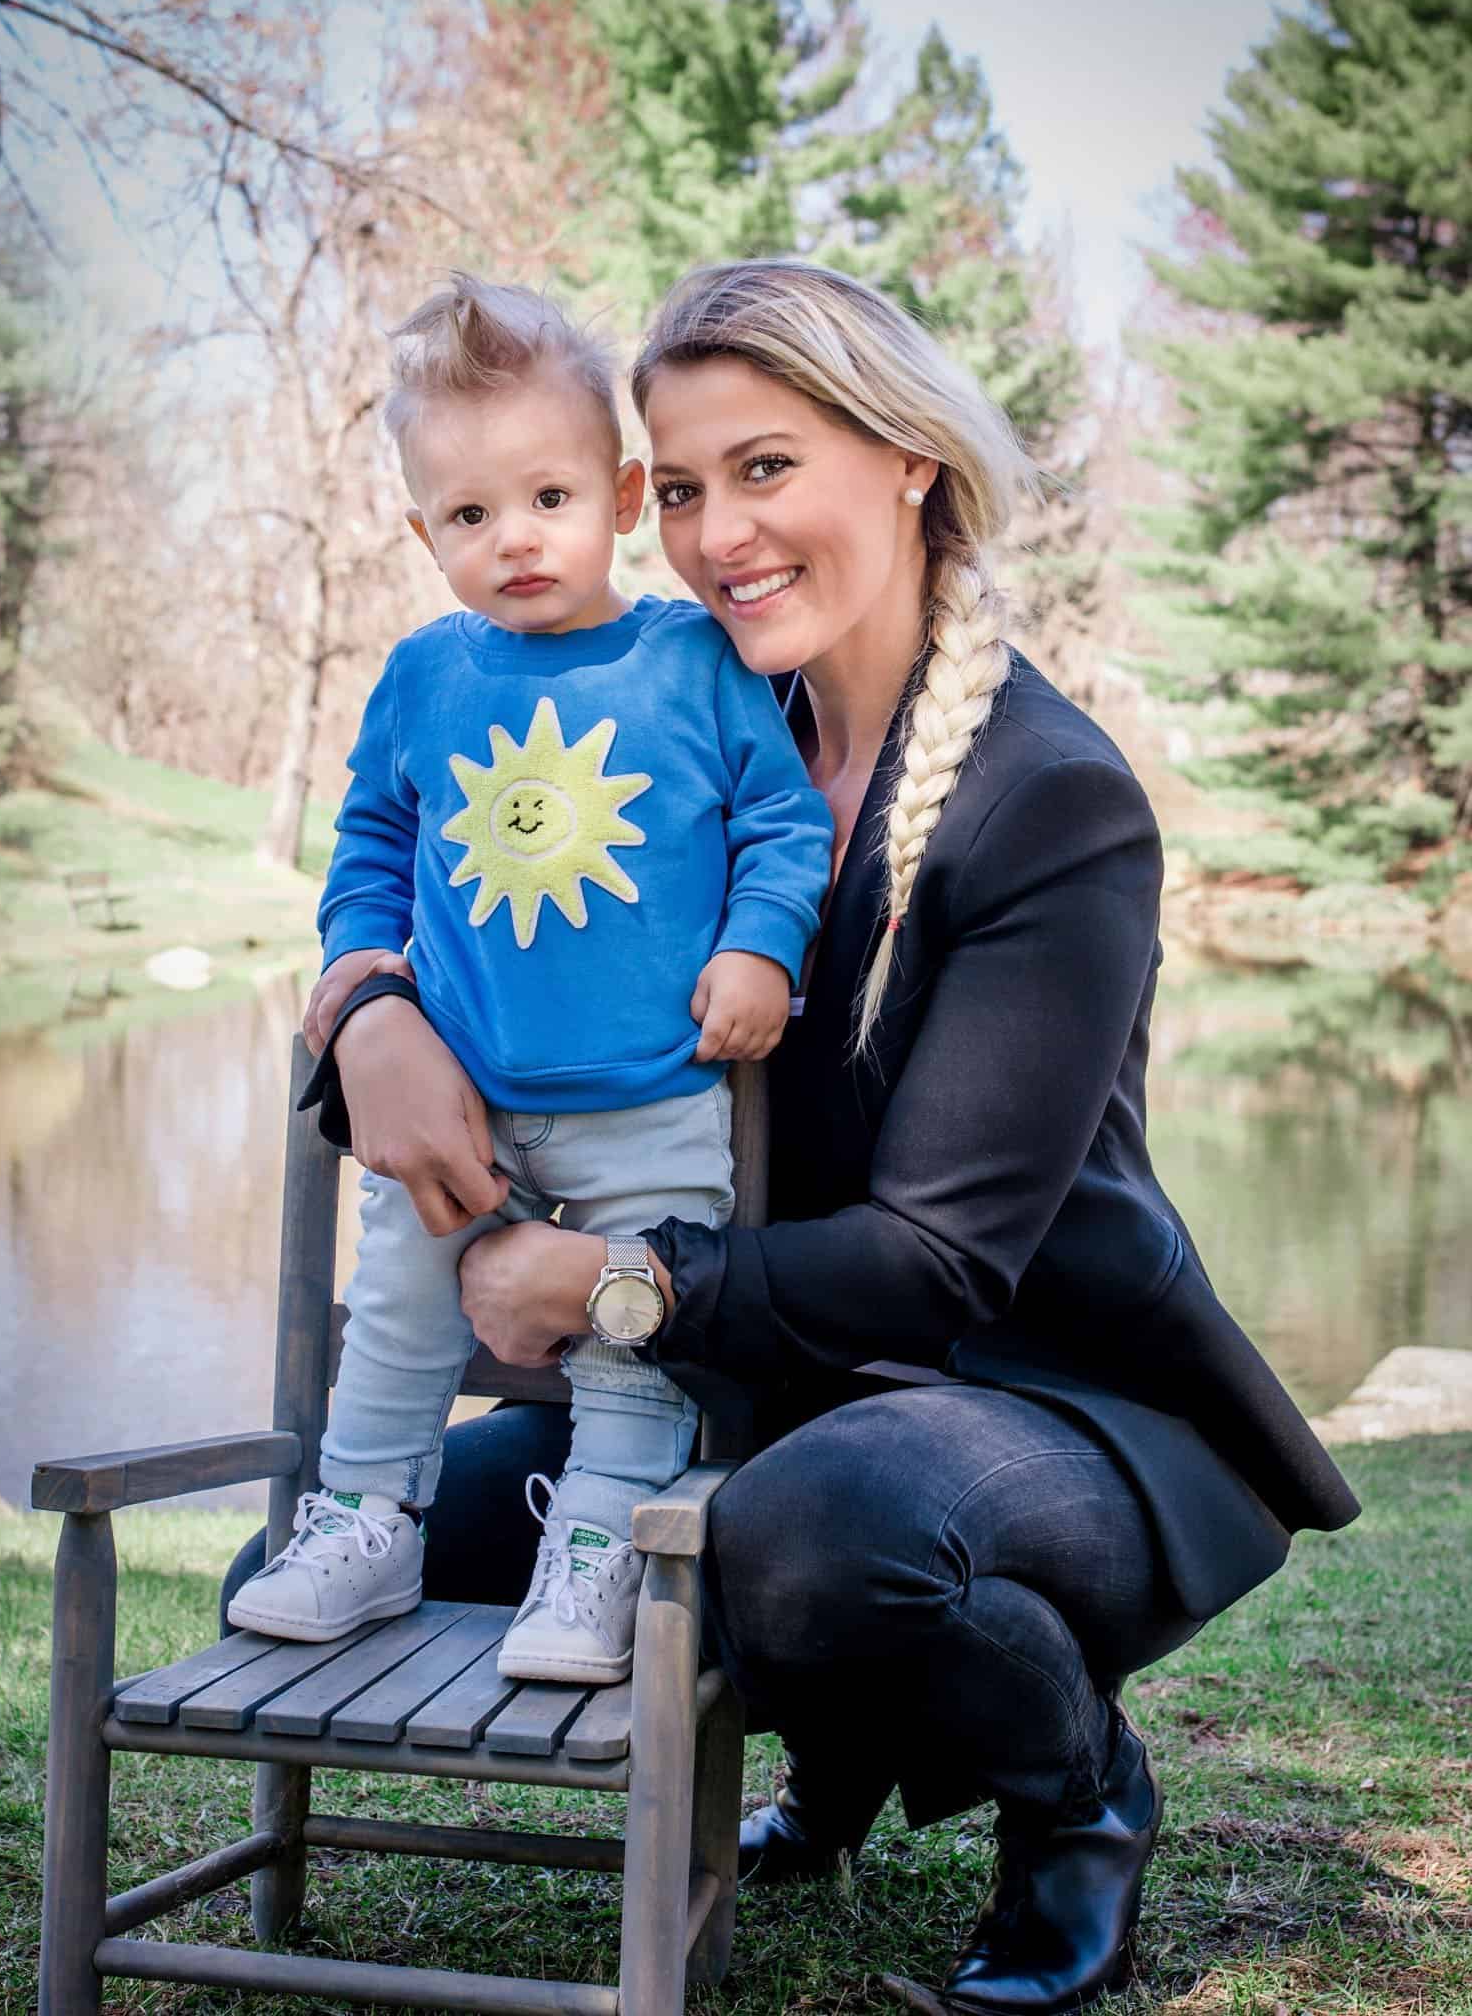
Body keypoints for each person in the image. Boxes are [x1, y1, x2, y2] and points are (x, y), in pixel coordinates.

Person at [225, 259, 1359, 2015]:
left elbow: (934, 1265)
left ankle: (1075, 1800)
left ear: (905, 458)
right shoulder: (697, 708)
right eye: (677, 488)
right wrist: (363, 1014)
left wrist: (602, 1285)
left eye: (766, 468)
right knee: (320, 1559)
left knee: (801, 1536)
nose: (715, 532)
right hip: (778, 1363)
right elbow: (494, 934)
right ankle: (830, 1762)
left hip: (1035, 1389)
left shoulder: (1045, 799)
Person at [226, 274, 832, 1685]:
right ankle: (370, 1519)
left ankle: (600, 1553)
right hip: (464, 1104)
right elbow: (371, 845)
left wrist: (760, 943)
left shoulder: (693, 660)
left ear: (623, 497)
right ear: (424, 529)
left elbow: (783, 824)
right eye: (470, 515)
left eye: (548, 498)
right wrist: (357, 974)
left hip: (653, 1097)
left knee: (629, 1337)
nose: (514, 540)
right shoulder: (426, 678)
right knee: (398, 1311)